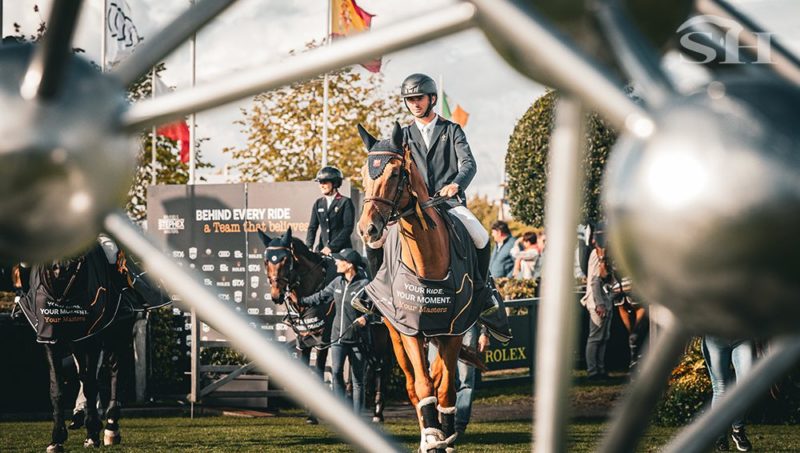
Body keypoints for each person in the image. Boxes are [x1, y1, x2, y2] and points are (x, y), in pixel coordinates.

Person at [290, 248, 371, 414]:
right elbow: (320, 296)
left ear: (349, 265)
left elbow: (375, 307)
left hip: (358, 339)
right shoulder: (337, 282)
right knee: (336, 374)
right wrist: (300, 301)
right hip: (338, 338)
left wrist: (366, 318)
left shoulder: (365, 285)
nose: (335, 262)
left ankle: (357, 419)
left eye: (339, 260)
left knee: (357, 381)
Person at [427, 324, 490, 437]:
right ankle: (436, 424)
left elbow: (488, 307)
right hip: (437, 325)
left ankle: (458, 425)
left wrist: (484, 332)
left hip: (466, 324)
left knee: (465, 379)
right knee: (435, 377)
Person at [703, 337, 754, 451]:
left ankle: (738, 430)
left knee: (746, 386)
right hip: (715, 338)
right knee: (720, 389)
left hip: (742, 336)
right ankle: (720, 436)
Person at [579, 226, 612, 380]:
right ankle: (593, 371)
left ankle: (601, 369)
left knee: (604, 337)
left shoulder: (606, 253)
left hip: (607, 300)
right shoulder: (595, 253)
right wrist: (599, 303)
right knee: (595, 337)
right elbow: (594, 280)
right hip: (597, 301)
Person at [306, 166, 355, 255]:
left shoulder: (345, 202)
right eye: (320, 182)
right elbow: (312, 228)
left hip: (342, 250)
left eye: (324, 182)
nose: (321, 185)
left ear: (335, 183)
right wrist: (308, 247)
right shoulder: (318, 203)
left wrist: (331, 247)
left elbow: (348, 228)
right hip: (322, 249)